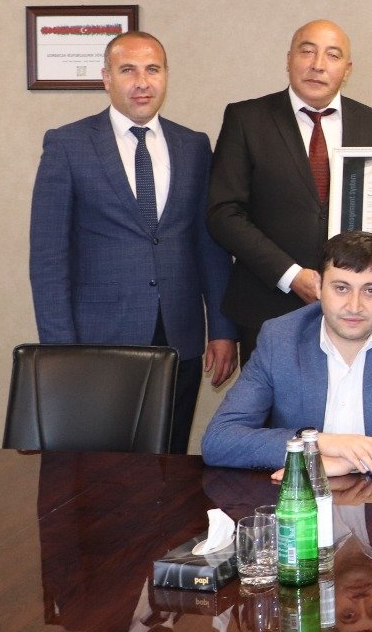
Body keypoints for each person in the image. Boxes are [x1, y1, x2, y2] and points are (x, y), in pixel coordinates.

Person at [29, 30, 237, 454]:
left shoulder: (194, 146)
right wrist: (61, 351)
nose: (142, 82)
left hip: (179, 334)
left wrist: (222, 329)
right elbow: (49, 257)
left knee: (170, 459)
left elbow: (210, 246)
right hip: (98, 340)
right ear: (106, 78)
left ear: (166, 76)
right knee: (103, 466)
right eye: (128, 70)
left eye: (152, 69)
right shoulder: (68, 144)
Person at [200, 231, 372, 474]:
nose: (354, 306)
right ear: (318, 286)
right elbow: (219, 440)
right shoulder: (279, 338)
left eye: (370, 290)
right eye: (341, 288)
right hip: (302, 503)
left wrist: (353, 461)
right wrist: (318, 444)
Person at [207, 19, 372, 363]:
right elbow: (224, 213)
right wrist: (291, 275)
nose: (318, 64)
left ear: (347, 69)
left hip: (355, 310)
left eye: (332, 55)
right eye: (307, 51)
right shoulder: (246, 118)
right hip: (267, 306)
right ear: (289, 59)